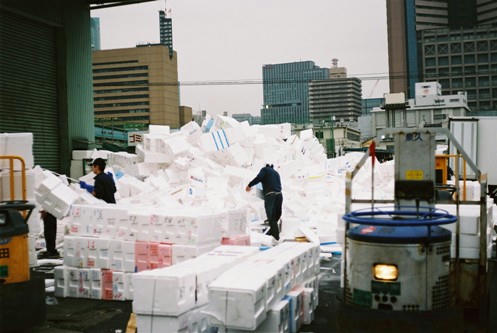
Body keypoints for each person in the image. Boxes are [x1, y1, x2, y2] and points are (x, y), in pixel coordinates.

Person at [246, 164, 283, 241]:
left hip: (270, 196)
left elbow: (258, 178)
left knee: (271, 218)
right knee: (276, 217)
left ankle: (275, 239)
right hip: (279, 195)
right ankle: (272, 233)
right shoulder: (276, 173)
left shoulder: (264, 169)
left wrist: (249, 185)